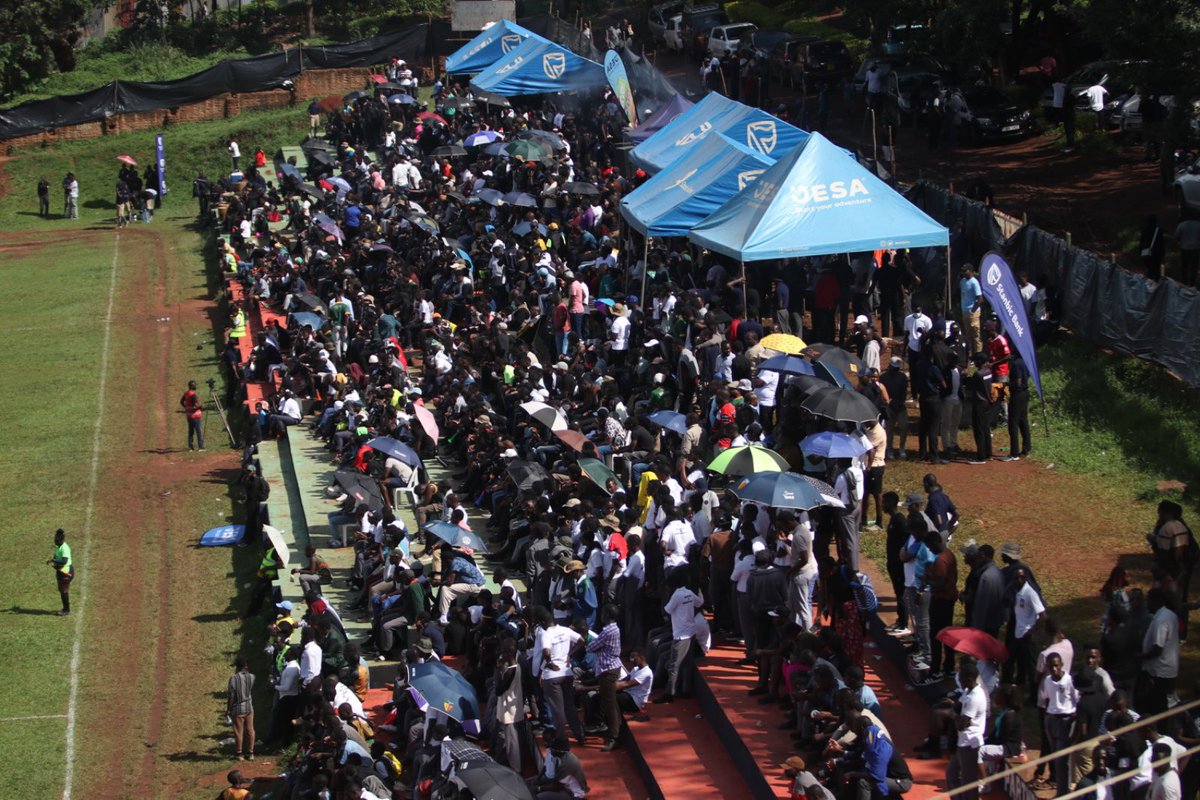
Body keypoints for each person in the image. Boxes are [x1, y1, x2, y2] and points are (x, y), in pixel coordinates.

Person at [945, 660, 988, 800]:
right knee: (951, 775)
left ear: (968, 680)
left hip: (969, 744)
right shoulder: (969, 691)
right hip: (962, 742)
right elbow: (958, 705)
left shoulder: (974, 698)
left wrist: (953, 715)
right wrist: (955, 711)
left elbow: (962, 724)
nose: (959, 680)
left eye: (961, 678)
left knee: (968, 783)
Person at [227, 655, 255, 761]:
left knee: (239, 731)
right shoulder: (251, 677)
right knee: (250, 730)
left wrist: (228, 709)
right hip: (249, 707)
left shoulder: (233, 679)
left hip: (238, 708)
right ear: (246, 665)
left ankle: (239, 754)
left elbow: (231, 696)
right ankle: (250, 753)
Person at [47, 528, 73, 616]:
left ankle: (66, 610)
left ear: (60, 540)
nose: (54, 540)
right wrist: (53, 562)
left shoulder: (64, 548)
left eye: (56, 539)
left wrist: (53, 561)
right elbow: (56, 557)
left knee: (64, 590)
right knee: (61, 590)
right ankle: (65, 608)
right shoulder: (58, 547)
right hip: (60, 571)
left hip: (66, 572)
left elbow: (64, 561)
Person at [959, 265, 983, 355]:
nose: (964, 273)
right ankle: (970, 354)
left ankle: (978, 354)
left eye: (966, 271)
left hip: (973, 312)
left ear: (971, 271)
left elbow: (980, 299)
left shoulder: (974, 282)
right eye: (963, 271)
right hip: (964, 311)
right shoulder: (962, 281)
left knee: (976, 334)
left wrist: (973, 310)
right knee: (968, 335)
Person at [180, 380, 205, 451]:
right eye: (195, 385)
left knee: (191, 432)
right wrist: (201, 407)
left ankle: (190, 447)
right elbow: (196, 405)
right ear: (192, 386)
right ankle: (201, 447)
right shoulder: (193, 395)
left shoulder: (186, 393)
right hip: (196, 416)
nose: (196, 386)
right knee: (199, 431)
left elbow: (181, 402)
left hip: (189, 416)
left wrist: (186, 408)